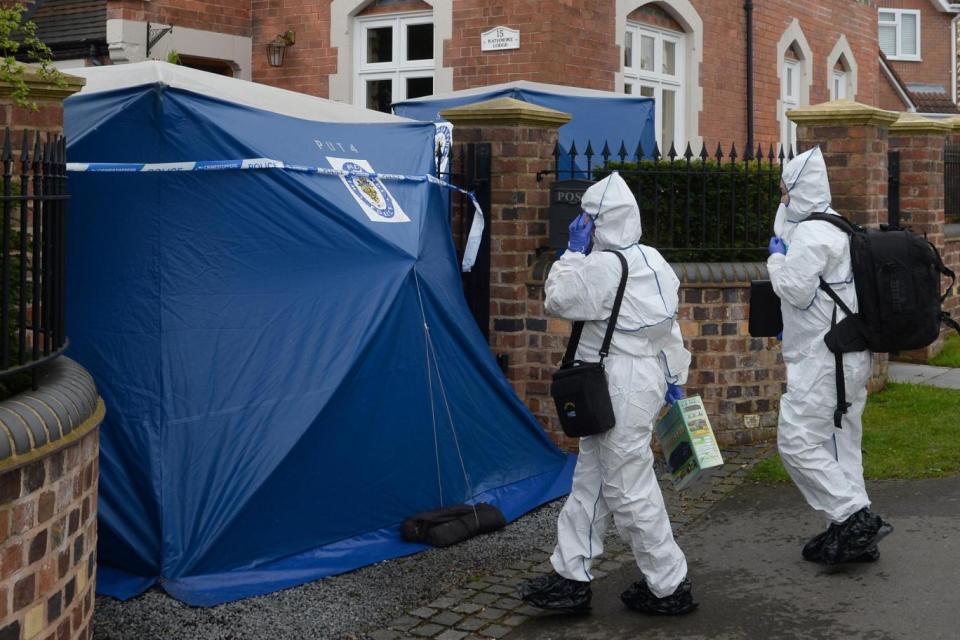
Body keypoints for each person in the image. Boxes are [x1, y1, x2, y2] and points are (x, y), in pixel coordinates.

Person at [520, 172, 696, 615]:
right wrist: (675, 376)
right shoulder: (652, 260)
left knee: (629, 488)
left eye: (586, 217)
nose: (580, 223)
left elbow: (559, 299)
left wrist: (571, 253)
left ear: (598, 221)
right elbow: (667, 327)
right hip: (645, 375)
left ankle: (669, 583)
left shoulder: (600, 265)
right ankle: (570, 573)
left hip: (617, 380)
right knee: (592, 482)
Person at [767, 147, 893, 564]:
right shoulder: (837, 226)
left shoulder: (810, 235)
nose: (782, 198)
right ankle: (852, 534)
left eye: (786, 190)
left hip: (825, 360)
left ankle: (852, 517)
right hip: (847, 354)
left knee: (796, 439)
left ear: (800, 189)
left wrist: (774, 260)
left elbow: (795, 289)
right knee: (841, 442)